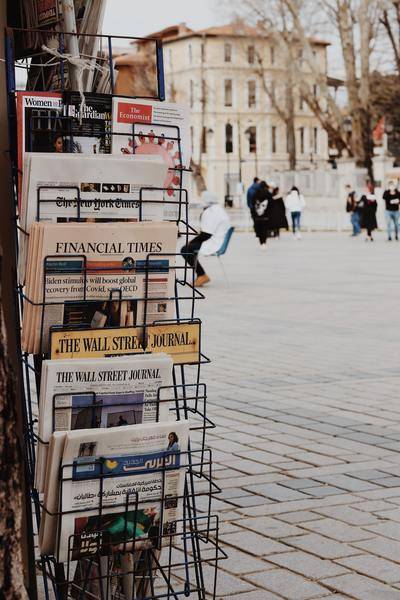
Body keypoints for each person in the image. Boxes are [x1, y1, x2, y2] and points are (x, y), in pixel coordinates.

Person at [180, 194, 230, 287]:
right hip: (218, 241)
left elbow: (206, 234)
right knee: (190, 248)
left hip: (214, 243)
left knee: (185, 250)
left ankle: (202, 275)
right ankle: (201, 275)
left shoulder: (210, 211)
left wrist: (191, 242)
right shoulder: (218, 209)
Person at [253, 181, 272, 249]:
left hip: (257, 215)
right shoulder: (268, 194)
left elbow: (253, 203)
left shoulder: (256, 193)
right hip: (266, 215)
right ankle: (264, 242)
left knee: (259, 229)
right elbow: (271, 204)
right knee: (264, 229)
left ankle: (261, 242)